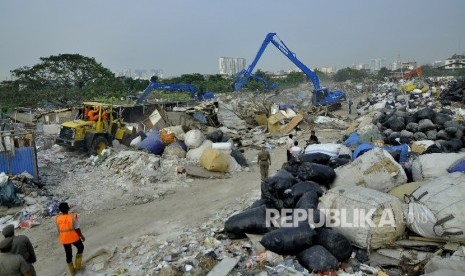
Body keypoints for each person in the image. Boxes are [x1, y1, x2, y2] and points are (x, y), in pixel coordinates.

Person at [55, 202, 86, 276]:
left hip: (64, 239)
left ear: (60, 210)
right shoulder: (73, 217)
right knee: (80, 248)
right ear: (68, 208)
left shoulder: (57, 219)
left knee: (68, 254)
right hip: (73, 237)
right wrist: (81, 236)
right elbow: (77, 228)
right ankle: (78, 265)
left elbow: (58, 230)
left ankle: (72, 271)